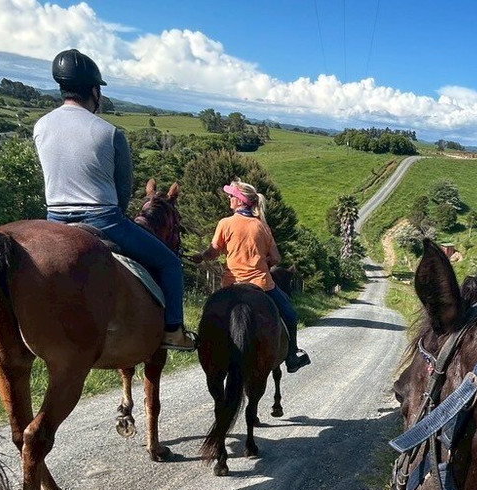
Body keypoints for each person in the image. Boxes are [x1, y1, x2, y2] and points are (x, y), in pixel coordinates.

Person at [32, 49, 195, 351]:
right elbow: (123, 191)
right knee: (171, 264)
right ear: (95, 91)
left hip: (53, 220)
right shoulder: (109, 133)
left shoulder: (40, 126)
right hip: (103, 219)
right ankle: (173, 331)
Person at [192, 181, 311, 372]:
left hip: (232, 284)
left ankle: (201, 345)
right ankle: (292, 356)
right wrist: (263, 263)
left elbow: (213, 252)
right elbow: (276, 258)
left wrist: (201, 256)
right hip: (261, 285)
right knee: (290, 314)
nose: (229, 198)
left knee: (209, 311)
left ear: (240, 201)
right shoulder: (262, 227)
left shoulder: (225, 223)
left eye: (232, 196)